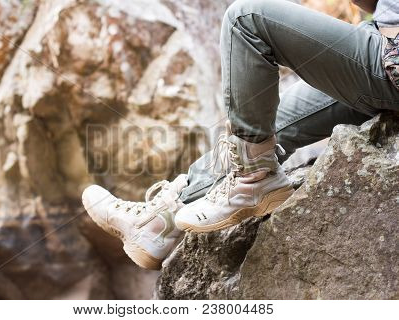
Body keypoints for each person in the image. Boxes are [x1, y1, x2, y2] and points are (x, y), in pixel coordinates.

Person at [82, 0, 399, 270]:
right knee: (267, 122)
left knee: (245, 19)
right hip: (379, 42)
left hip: (390, 57)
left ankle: (255, 178)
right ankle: (156, 225)